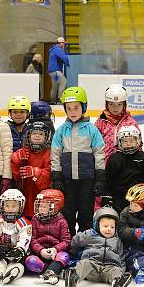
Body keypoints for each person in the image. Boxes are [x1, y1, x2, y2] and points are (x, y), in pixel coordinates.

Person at [50, 86, 106, 234]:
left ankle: (84, 239)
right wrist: (56, 177)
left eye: (76, 107)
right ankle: (68, 240)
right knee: (67, 213)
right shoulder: (61, 130)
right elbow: (55, 154)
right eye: (69, 108)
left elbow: (99, 153)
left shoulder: (91, 129)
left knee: (85, 213)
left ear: (84, 107)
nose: (72, 112)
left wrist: (100, 178)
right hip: (67, 180)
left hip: (87, 180)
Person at [62, 207, 133, 287]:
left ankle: (117, 283)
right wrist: (74, 253)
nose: (109, 229)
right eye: (105, 226)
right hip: (92, 266)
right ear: (96, 225)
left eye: (112, 227)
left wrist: (121, 269)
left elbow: (120, 256)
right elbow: (75, 241)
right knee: (84, 263)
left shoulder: (117, 240)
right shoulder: (89, 235)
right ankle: (74, 278)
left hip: (109, 268)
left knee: (116, 270)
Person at [0, 189, 32, 285]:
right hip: (2, 251)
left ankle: (12, 273)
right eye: (7, 205)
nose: (10, 208)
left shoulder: (24, 223)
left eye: (14, 206)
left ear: (20, 206)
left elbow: (24, 239)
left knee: (17, 264)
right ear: (2, 205)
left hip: (16, 253)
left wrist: (20, 250)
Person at [25, 189, 72, 284]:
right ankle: (52, 272)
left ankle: (51, 272)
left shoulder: (61, 221)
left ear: (55, 207)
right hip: (40, 252)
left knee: (64, 256)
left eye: (44, 206)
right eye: (39, 206)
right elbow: (32, 239)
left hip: (55, 254)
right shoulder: (35, 219)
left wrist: (55, 249)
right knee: (30, 261)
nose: (40, 209)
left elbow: (66, 241)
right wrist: (41, 250)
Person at [10, 120, 52, 220]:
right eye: (34, 133)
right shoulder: (23, 152)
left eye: (41, 134)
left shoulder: (49, 154)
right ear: (29, 136)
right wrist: (15, 161)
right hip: (25, 195)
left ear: (46, 137)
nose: (37, 136)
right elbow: (15, 176)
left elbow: (49, 176)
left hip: (41, 198)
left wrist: (36, 173)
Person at [104, 126, 144, 213]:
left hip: (140, 197)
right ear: (119, 142)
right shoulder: (114, 159)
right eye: (125, 141)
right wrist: (107, 196)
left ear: (138, 141)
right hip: (119, 199)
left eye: (132, 141)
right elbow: (108, 180)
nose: (128, 143)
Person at [94, 84, 138, 161]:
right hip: (104, 164)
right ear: (106, 104)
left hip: (125, 164)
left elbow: (138, 143)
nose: (115, 108)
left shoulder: (131, 123)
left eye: (119, 104)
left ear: (124, 105)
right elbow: (94, 144)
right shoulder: (100, 123)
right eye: (111, 104)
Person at [47, 36, 69, 104]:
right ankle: (60, 99)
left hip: (52, 71)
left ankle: (53, 100)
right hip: (56, 71)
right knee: (63, 81)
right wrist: (67, 64)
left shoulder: (53, 49)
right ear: (60, 43)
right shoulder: (58, 49)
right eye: (63, 43)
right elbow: (65, 57)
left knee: (55, 86)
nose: (64, 45)